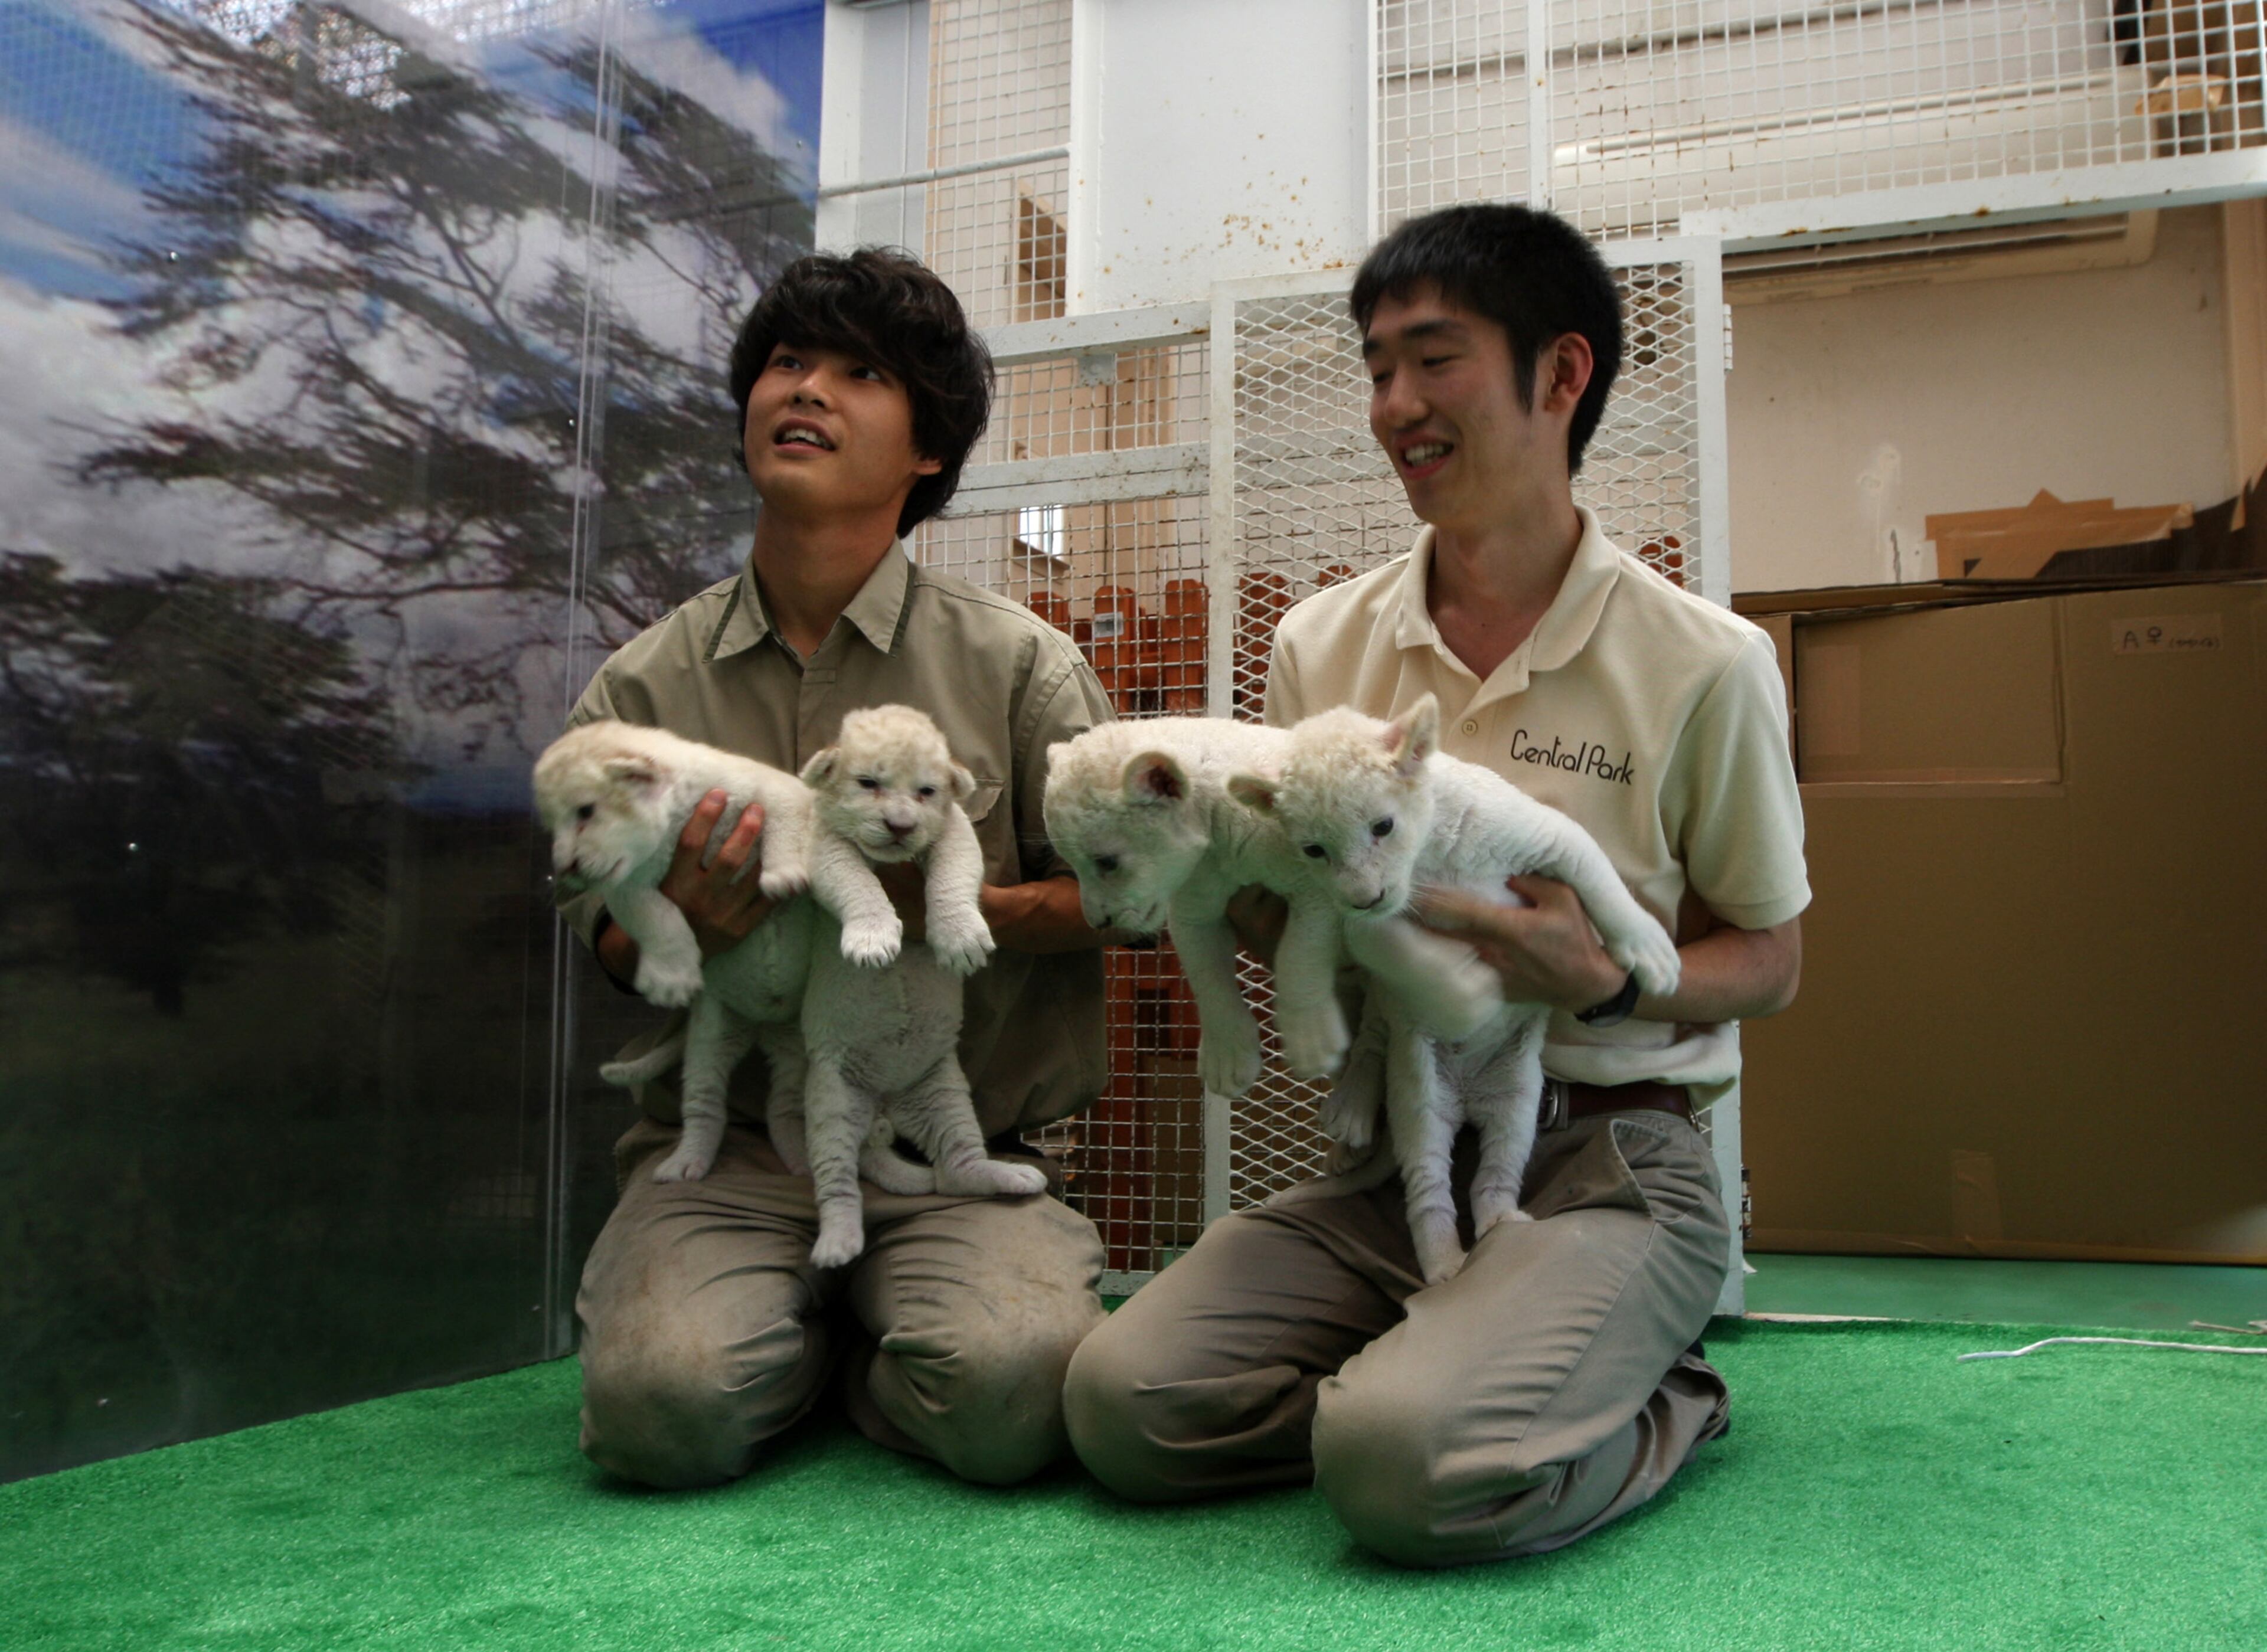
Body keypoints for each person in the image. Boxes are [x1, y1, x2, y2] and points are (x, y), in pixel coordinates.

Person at [1063, 204, 1809, 1565]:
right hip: (1389, 1148)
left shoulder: (1707, 662)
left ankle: (1657, 1392)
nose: (1392, 403)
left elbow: (1771, 957)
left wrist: (1611, 974)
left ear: (1563, 374)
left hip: (1609, 1147)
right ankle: (1448, 1379)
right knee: (1122, 1408)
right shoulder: (1316, 641)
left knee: (1403, 1469)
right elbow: (1283, 904)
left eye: (1433, 358)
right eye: (1375, 367)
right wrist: (1216, 884)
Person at [559, 247, 1116, 1490]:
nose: (803, 388)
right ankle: (767, 1331)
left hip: (949, 1126)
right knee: (661, 1410)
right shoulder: (644, 687)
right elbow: (604, 938)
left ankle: (860, 1343)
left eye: (860, 372)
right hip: (738, 1144)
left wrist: (947, 898)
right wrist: (679, 922)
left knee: (1014, 1395)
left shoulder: (1023, 668)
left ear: (929, 450)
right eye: (786, 361)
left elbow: (1120, 902)